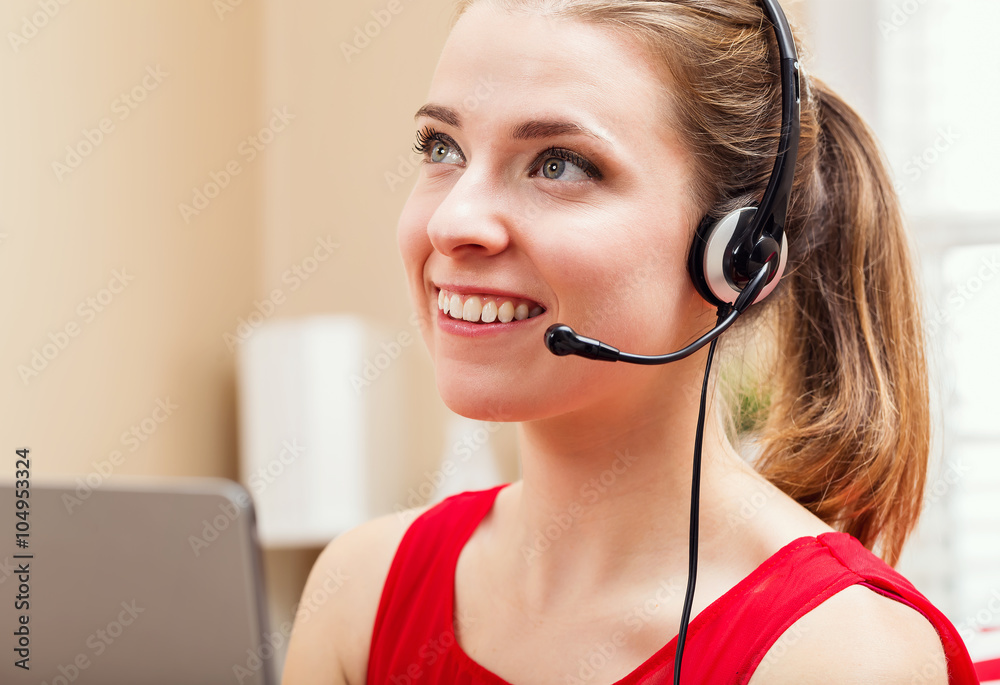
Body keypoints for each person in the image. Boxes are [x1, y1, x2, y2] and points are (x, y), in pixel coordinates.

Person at [282, 0, 980, 683]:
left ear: (740, 254)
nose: (453, 222)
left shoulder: (841, 654)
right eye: (444, 148)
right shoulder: (358, 593)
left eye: (559, 163)